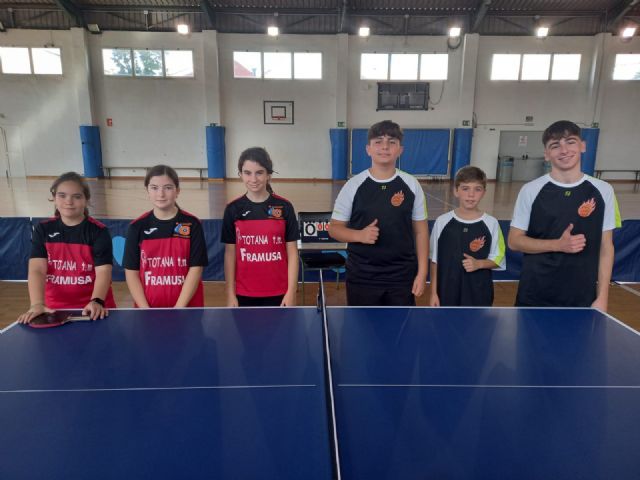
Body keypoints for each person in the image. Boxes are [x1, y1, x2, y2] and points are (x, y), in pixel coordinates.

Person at [508, 120, 621, 311]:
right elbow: (514, 241)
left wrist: (603, 297)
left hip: (582, 297)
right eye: (555, 145)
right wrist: (557, 245)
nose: (564, 150)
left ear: (583, 146)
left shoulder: (604, 190)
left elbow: (606, 247)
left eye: (570, 142)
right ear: (546, 154)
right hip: (535, 294)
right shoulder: (530, 190)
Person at [329, 120, 429, 306]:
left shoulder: (412, 184)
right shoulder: (353, 185)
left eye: (392, 142)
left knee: (400, 324)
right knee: (362, 324)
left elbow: (421, 232)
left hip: (401, 275)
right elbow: (334, 228)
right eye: (378, 141)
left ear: (400, 150)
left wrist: (422, 273)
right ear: (368, 149)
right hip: (362, 275)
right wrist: (359, 235)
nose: (385, 147)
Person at [17, 172, 115, 323]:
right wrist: (37, 304)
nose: (69, 201)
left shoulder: (99, 231)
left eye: (77, 196)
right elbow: (37, 269)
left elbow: (103, 272)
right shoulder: (43, 229)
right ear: (54, 198)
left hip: (95, 310)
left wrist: (97, 301)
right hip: (54, 310)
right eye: (62, 195)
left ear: (86, 200)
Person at [221, 147, 299, 307]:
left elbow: (292, 253)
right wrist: (230, 293)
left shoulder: (284, 207)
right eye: (247, 173)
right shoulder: (232, 209)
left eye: (259, 172)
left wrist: (291, 291)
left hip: (279, 292)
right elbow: (230, 255)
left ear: (268, 174)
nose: (253, 179)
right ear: (240, 174)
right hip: (244, 293)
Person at [123, 165, 208, 308]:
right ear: (147, 191)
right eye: (154, 188)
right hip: (147, 311)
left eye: (168, 188)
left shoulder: (192, 224)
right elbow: (131, 273)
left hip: (187, 309)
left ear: (177, 191)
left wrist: (179, 309)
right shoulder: (136, 227)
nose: (161, 194)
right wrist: (145, 310)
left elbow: (196, 269)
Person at [429, 166, 505, 307]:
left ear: (484, 192)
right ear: (456, 191)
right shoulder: (442, 222)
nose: (471, 195)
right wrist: (433, 293)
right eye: (465, 188)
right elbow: (434, 261)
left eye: (477, 189)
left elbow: (498, 259)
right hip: (446, 293)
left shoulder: (492, 223)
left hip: (479, 294)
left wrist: (479, 264)